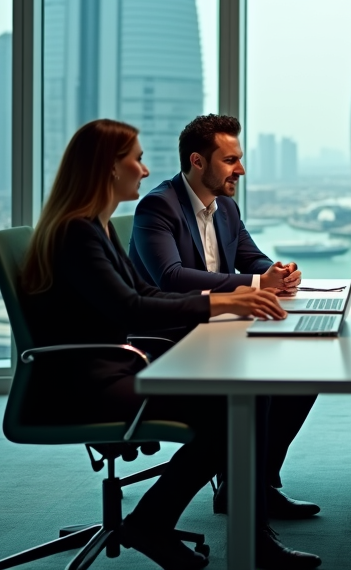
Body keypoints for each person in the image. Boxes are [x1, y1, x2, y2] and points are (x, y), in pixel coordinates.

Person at [20, 119, 320, 570]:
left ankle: (170, 520)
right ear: (107, 168)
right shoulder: (78, 233)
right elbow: (133, 309)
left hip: (113, 366)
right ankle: (217, 528)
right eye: (135, 159)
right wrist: (222, 304)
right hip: (85, 382)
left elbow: (146, 295)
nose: (144, 170)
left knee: (245, 396)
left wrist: (230, 299)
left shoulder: (93, 228)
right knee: (237, 404)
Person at [128, 114, 318, 520]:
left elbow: (252, 257)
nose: (241, 170)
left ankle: (255, 485)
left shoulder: (226, 208)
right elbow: (171, 277)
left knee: (303, 377)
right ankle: (245, 496)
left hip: (218, 328)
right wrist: (256, 282)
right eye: (231, 160)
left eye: (240, 159)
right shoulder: (158, 207)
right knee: (261, 387)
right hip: (169, 340)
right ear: (198, 161)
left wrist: (278, 273)